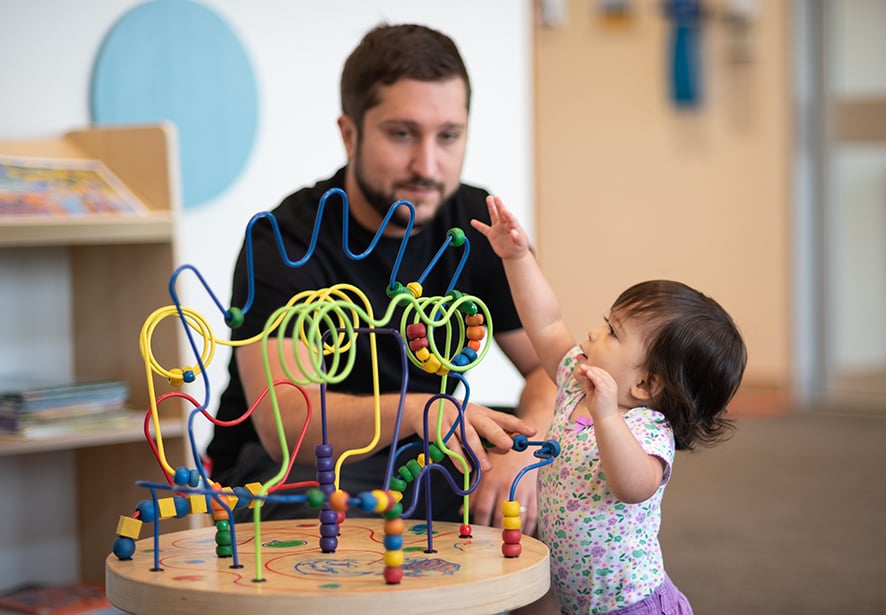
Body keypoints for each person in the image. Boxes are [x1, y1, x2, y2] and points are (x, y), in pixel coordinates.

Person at [205, 23, 556, 530]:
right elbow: (288, 422)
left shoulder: (479, 227)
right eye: (402, 134)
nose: (427, 165)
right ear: (350, 134)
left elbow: (551, 365)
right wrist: (423, 411)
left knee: (568, 479)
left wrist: (528, 447)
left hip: (421, 445)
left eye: (449, 136)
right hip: (293, 469)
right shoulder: (283, 239)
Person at [472, 196, 747, 614]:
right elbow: (545, 323)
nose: (593, 333)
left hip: (629, 605)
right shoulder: (574, 382)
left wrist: (606, 417)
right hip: (577, 601)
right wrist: (516, 258)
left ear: (645, 383)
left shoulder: (646, 428)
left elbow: (634, 487)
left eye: (612, 332)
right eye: (606, 321)